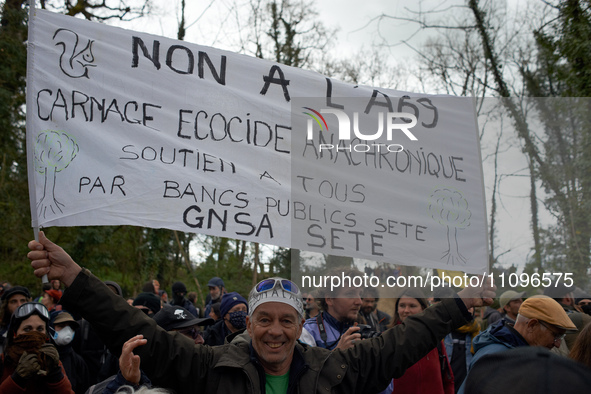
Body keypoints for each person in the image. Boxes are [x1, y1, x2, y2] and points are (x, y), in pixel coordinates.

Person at [27, 232, 495, 394]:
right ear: (248, 324)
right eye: (264, 320)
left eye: (286, 320)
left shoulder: (334, 371)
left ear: (299, 324)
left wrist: (459, 304)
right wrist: (76, 279)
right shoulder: (211, 369)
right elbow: (141, 330)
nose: (275, 332)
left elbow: (403, 342)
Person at [457, 295, 578, 394]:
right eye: (555, 335)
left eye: (561, 337)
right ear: (532, 325)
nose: (558, 344)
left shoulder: (510, 352)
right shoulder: (498, 357)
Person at [381, 288, 454, 394]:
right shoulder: (387, 340)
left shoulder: (435, 340)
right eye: (402, 306)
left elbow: (448, 379)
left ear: (423, 309)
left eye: (412, 306)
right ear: (397, 309)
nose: (406, 310)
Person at [0, 302, 74, 392]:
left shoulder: (52, 361)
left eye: (40, 329)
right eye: (27, 329)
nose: (35, 334)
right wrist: (18, 378)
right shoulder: (3, 362)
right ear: (14, 334)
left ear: (46, 333)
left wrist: (55, 373)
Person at [301, 269, 365, 350]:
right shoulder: (308, 330)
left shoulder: (360, 329)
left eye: (360, 294)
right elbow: (306, 362)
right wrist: (338, 352)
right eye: (350, 294)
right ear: (329, 299)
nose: (359, 302)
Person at [51, 310, 91, 393]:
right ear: (50, 328)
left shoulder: (78, 362)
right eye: (61, 326)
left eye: (71, 327)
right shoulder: (43, 358)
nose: (67, 331)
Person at [0, 286, 31, 353]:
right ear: (6, 306)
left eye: (22, 301)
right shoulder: (2, 331)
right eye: (14, 301)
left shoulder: (39, 325)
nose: (19, 305)